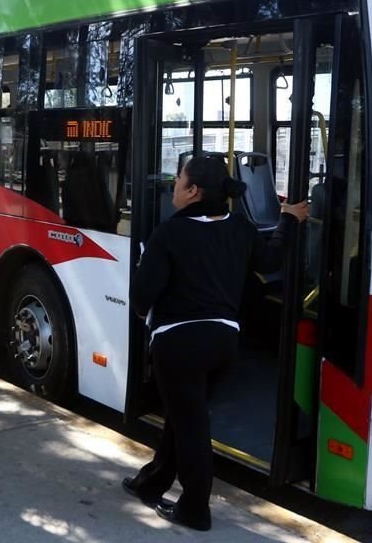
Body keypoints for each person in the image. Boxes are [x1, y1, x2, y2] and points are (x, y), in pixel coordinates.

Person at [123, 154, 308, 531]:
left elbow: (141, 297)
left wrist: (150, 315)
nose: (173, 184)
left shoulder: (170, 233)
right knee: (181, 415)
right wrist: (288, 218)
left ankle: (194, 509)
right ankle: (152, 482)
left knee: (190, 427)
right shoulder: (239, 227)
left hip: (179, 345)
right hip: (224, 341)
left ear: (193, 191)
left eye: (178, 179)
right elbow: (272, 255)